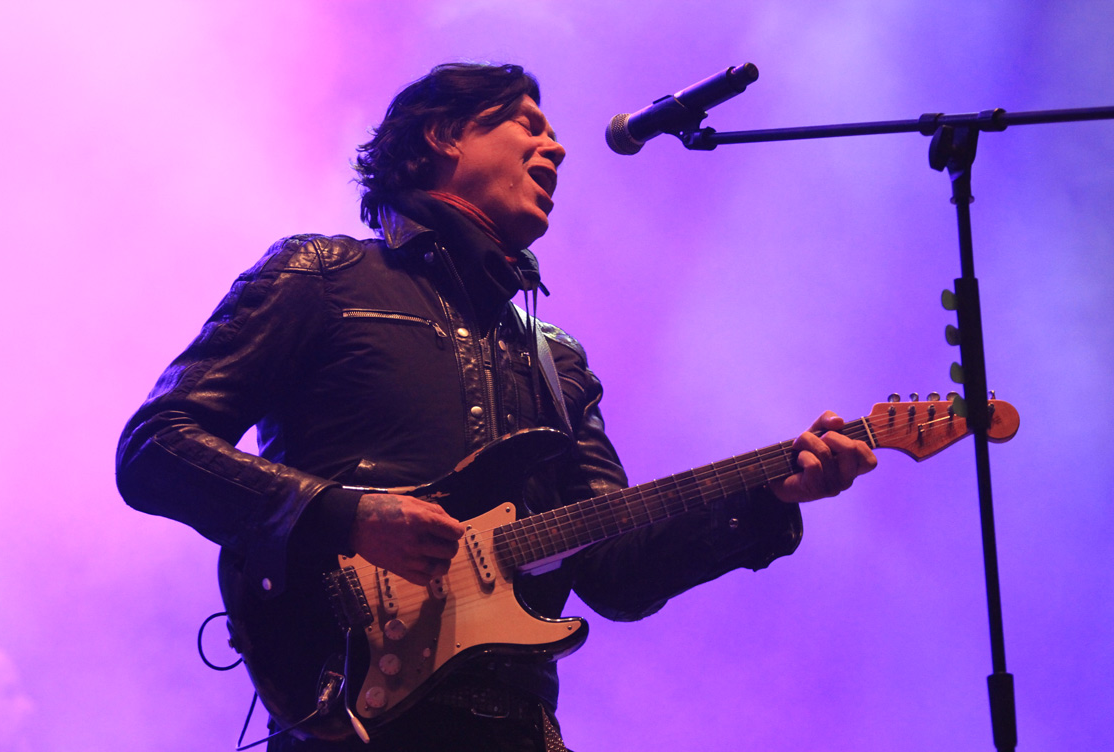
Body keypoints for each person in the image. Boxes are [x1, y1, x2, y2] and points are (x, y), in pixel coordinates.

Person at [116, 63, 876, 751]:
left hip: (516, 729)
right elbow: (155, 447)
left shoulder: (557, 360)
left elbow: (616, 573)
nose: (558, 148)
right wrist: (348, 515)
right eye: (528, 124)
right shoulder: (322, 274)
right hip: (352, 720)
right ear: (443, 135)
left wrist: (767, 501)